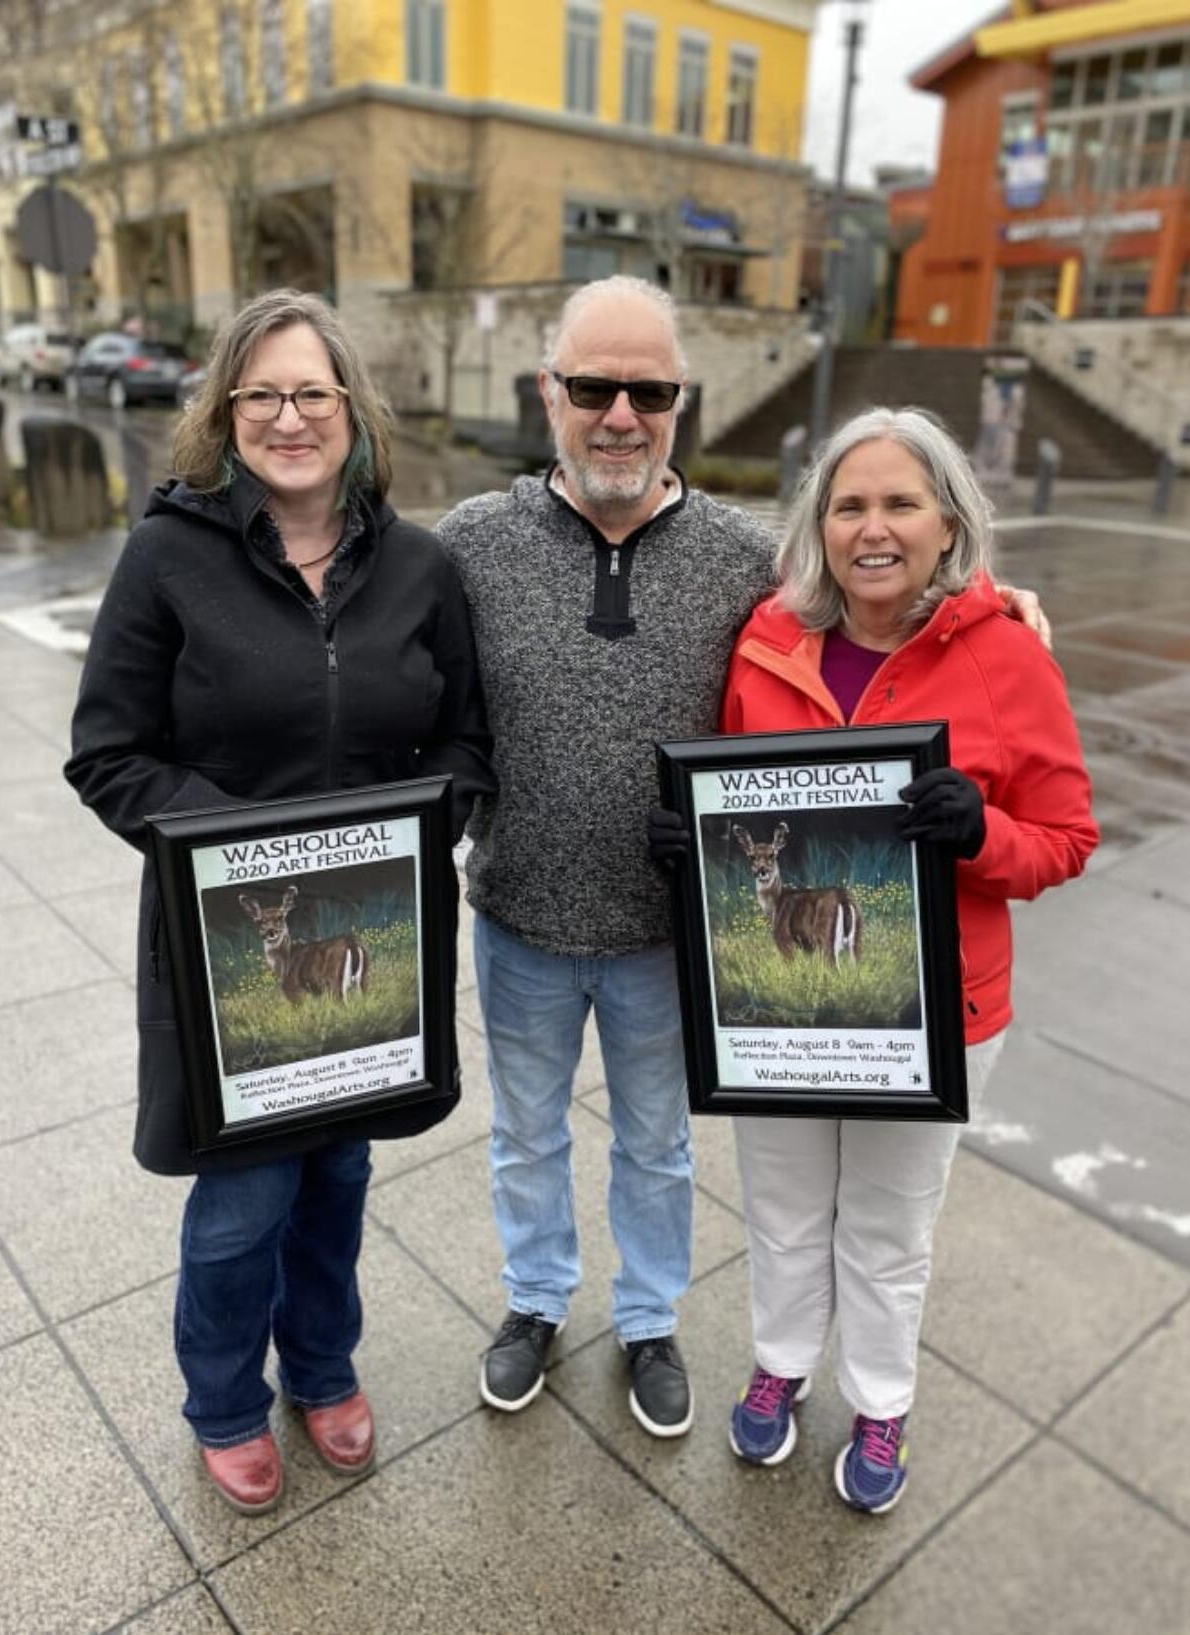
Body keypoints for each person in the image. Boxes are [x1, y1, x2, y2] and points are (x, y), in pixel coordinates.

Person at [436, 277, 1047, 1439]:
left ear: (680, 402)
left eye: (648, 391)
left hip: (671, 933)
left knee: (658, 1144)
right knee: (524, 1132)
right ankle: (532, 1301)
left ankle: (653, 1316)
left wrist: (989, 600)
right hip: (515, 910)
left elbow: (881, 593)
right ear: (548, 390)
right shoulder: (469, 542)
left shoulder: (746, 555)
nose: (620, 413)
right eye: (593, 387)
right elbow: (370, 630)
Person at [65, 289, 493, 1515]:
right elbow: (107, 753)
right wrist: (247, 851)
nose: (290, 417)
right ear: (227, 412)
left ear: (353, 413)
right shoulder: (167, 559)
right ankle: (223, 1400)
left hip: (368, 946)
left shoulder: (417, 568)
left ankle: (321, 1364)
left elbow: (464, 741)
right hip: (228, 946)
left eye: (314, 393)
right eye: (264, 394)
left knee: (338, 1179)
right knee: (244, 1193)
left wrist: (416, 834)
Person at [709, 406, 1097, 1512]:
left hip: (931, 1013)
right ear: (818, 526)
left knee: (885, 1227)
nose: (870, 528)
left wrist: (981, 837)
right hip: (780, 1007)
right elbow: (735, 811)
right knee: (780, 1206)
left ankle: (879, 1401)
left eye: (897, 503)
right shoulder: (763, 643)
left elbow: (1064, 839)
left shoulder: (1004, 657)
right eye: (847, 505)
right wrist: (696, 851)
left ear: (945, 523)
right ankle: (780, 1364)